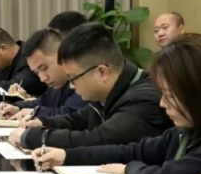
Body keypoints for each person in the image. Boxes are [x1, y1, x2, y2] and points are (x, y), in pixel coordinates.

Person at [32, 35, 201, 174]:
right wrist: (66, 156)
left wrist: (128, 170)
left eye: (169, 95)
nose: (162, 103)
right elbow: (132, 151)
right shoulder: (186, 132)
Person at [11, 23, 172, 150]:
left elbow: (98, 140)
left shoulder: (142, 99)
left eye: (73, 79)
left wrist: (36, 138)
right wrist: (43, 123)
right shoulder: (111, 91)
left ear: (102, 72)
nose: (72, 86)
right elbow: (78, 119)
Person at [0, 28, 86, 121]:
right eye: (37, 72)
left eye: (44, 68)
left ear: (61, 54)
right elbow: (42, 102)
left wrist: (35, 112)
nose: (42, 78)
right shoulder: (55, 84)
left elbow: (69, 114)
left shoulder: (82, 80)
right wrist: (16, 107)